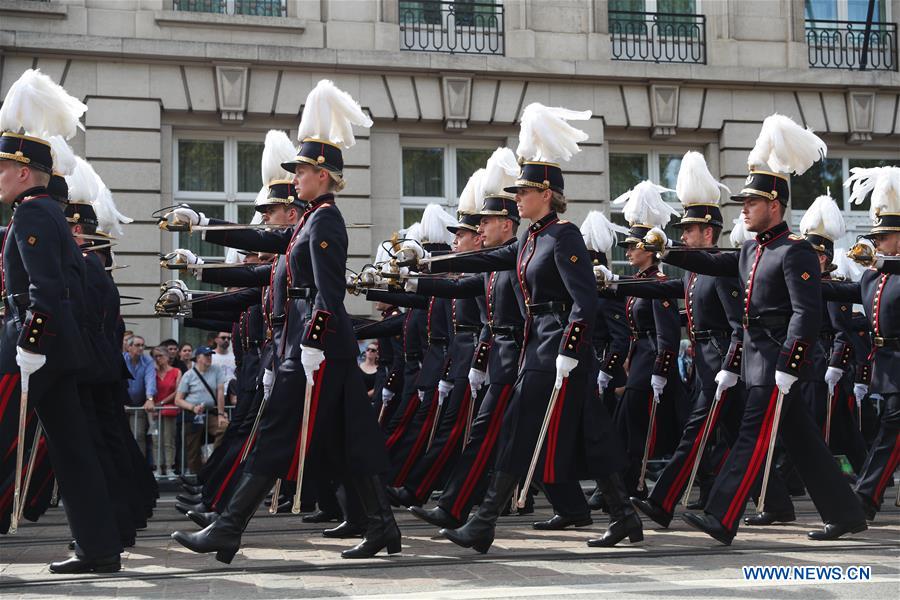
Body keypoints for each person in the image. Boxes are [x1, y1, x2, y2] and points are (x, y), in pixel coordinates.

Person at [171, 81, 398, 562]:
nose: (294, 177)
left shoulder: (327, 221)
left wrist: (312, 343)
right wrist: (204, 224)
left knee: (275, 434)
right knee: (347, 441)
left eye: (300, 171)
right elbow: (269, 242)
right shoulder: (308, 220)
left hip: (317, 351)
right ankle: (381, 527)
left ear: (323, 174)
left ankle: (229, 527)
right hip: (313, 349)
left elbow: (329, 293)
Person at [656, 114, 867, 544]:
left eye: (751, 202)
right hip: (756, 358)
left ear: (774, 205)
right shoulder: (751, 248)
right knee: (803, 441)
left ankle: (723, 516)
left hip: (776, 359)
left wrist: (790, 362)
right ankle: (846, 513)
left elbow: (805, 314)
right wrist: (670, 250)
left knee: (752, 434)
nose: (744, 209)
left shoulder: (797, 251)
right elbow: (713, 262)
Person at [0, 68, 122, 573]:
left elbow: (44, 293)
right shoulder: (46, 212)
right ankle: (98, 548)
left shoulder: (32, 215)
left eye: (2, 166)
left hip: (38, 354)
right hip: (54, 351)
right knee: (73, 454)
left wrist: (29, 345)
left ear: (24, 171)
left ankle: (98, 547)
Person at [175, 347, 228, 475]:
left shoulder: (216, 370)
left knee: (225, 427)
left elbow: (220, 392)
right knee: (193, 448)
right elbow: (178, 400)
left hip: (210, 412)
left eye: (210, 355)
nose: (209, 358)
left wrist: (221, 413)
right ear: (198, 358)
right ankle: (196, 476)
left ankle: (213, 462)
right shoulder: (189, 375)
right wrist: (192, 407)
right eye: (206, 355)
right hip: (193, 414)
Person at [122, 335, 156, 455]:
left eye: (143, 345)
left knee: (138, 435)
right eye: (137, 345)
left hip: (139, 404)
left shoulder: (148, 361)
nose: (141, 348)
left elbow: (150, 380)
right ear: (129, 347)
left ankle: (139, 465)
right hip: (122, 404)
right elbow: (118, 381)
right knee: (121, 436)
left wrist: (150, 398)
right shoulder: (121, 359)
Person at [153, 345, 182, 479]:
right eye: (155, 356)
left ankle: (169, 467)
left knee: (168, 439)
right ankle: (158, 467)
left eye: (160, 356)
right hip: (154, 409)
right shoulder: (152, 371)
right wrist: (154, 403)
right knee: (156, 439)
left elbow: (178, 390)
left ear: (167, 356)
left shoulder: (176, 371)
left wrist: (162, 402)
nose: (158, 359)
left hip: (169, 408)